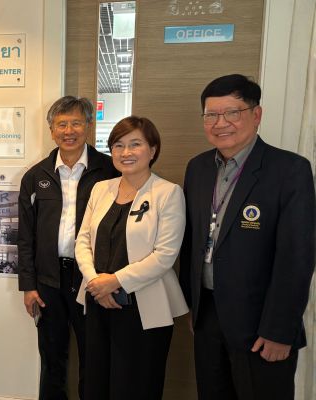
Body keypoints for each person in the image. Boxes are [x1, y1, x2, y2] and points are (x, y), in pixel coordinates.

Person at [179, 74, 316, 400]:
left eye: (232, 112)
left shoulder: (289, 170)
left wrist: (279, 330)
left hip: (262, 324)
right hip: (208, 315)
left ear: (256, 115)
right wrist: (194, 307)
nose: (220, 123)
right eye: (211, 115)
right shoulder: (198, 168)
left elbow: (297, 257)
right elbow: (192, 241)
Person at [74, 116, 189, 399]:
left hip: (143, 308)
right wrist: (96, 283)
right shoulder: (101, 189)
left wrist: (114, 281)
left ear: (153, 150)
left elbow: (165, 255)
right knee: (96, 383)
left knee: (136, 386)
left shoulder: (168, 193)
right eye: (118, 145)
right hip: (98, 301)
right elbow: (83, 240)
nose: (126, 152)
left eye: (135, 144)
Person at [17, 96, 118, 399]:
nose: (69, 131)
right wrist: (28, 285)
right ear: (52, 130)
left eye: (76, 123)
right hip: (48, 282)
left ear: (88, 126)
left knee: (94, 358)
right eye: (62, 124)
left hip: (91, 280)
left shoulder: (109, 171)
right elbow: (26, 236)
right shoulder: (35, 176)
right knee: (52, 358)